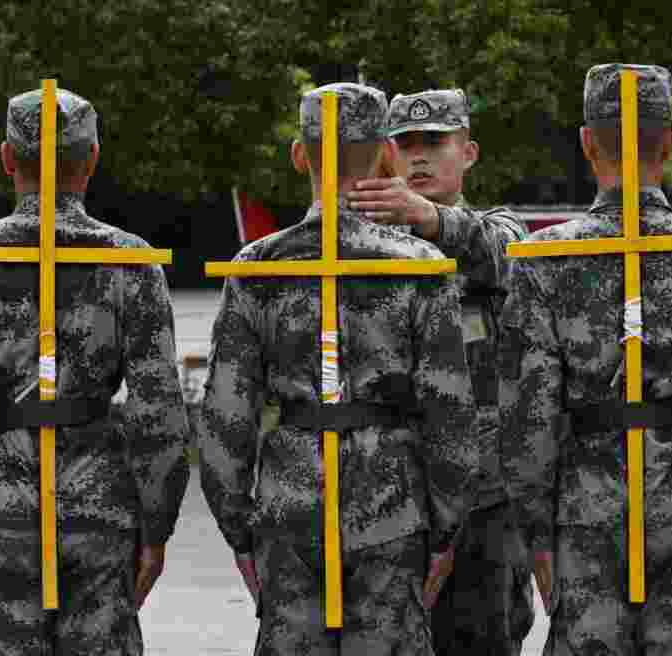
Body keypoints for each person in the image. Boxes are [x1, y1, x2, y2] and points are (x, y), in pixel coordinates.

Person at [197, 82, 479, 655]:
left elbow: (226, 414)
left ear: (301, 155)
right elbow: (449, 412)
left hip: (289, 501)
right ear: (382, 153)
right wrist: (444, 531)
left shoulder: (259, 265)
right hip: (393, 506)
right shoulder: (420, 264)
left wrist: (240, 531)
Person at [497, 63, 672, 654]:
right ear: (670, 142)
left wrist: (537, 533)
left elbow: (528, 416)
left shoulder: (543, 260)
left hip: (584, 503)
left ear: (587, 142)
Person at [0, 88, 191, 654]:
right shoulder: (130, 261)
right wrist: (157, 524)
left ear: (6, 157)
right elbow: (158, 410)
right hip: (100, 505)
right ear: (92, 158)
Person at [346, 87, 531, 656]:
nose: (420, 157)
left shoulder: (497, 228)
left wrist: (428, 220)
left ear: (469, 153)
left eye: (436, 142)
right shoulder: (363, 243)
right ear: (387, 156)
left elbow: (507, 259)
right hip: (384, 489)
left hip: (483, 495)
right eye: (406, 145)